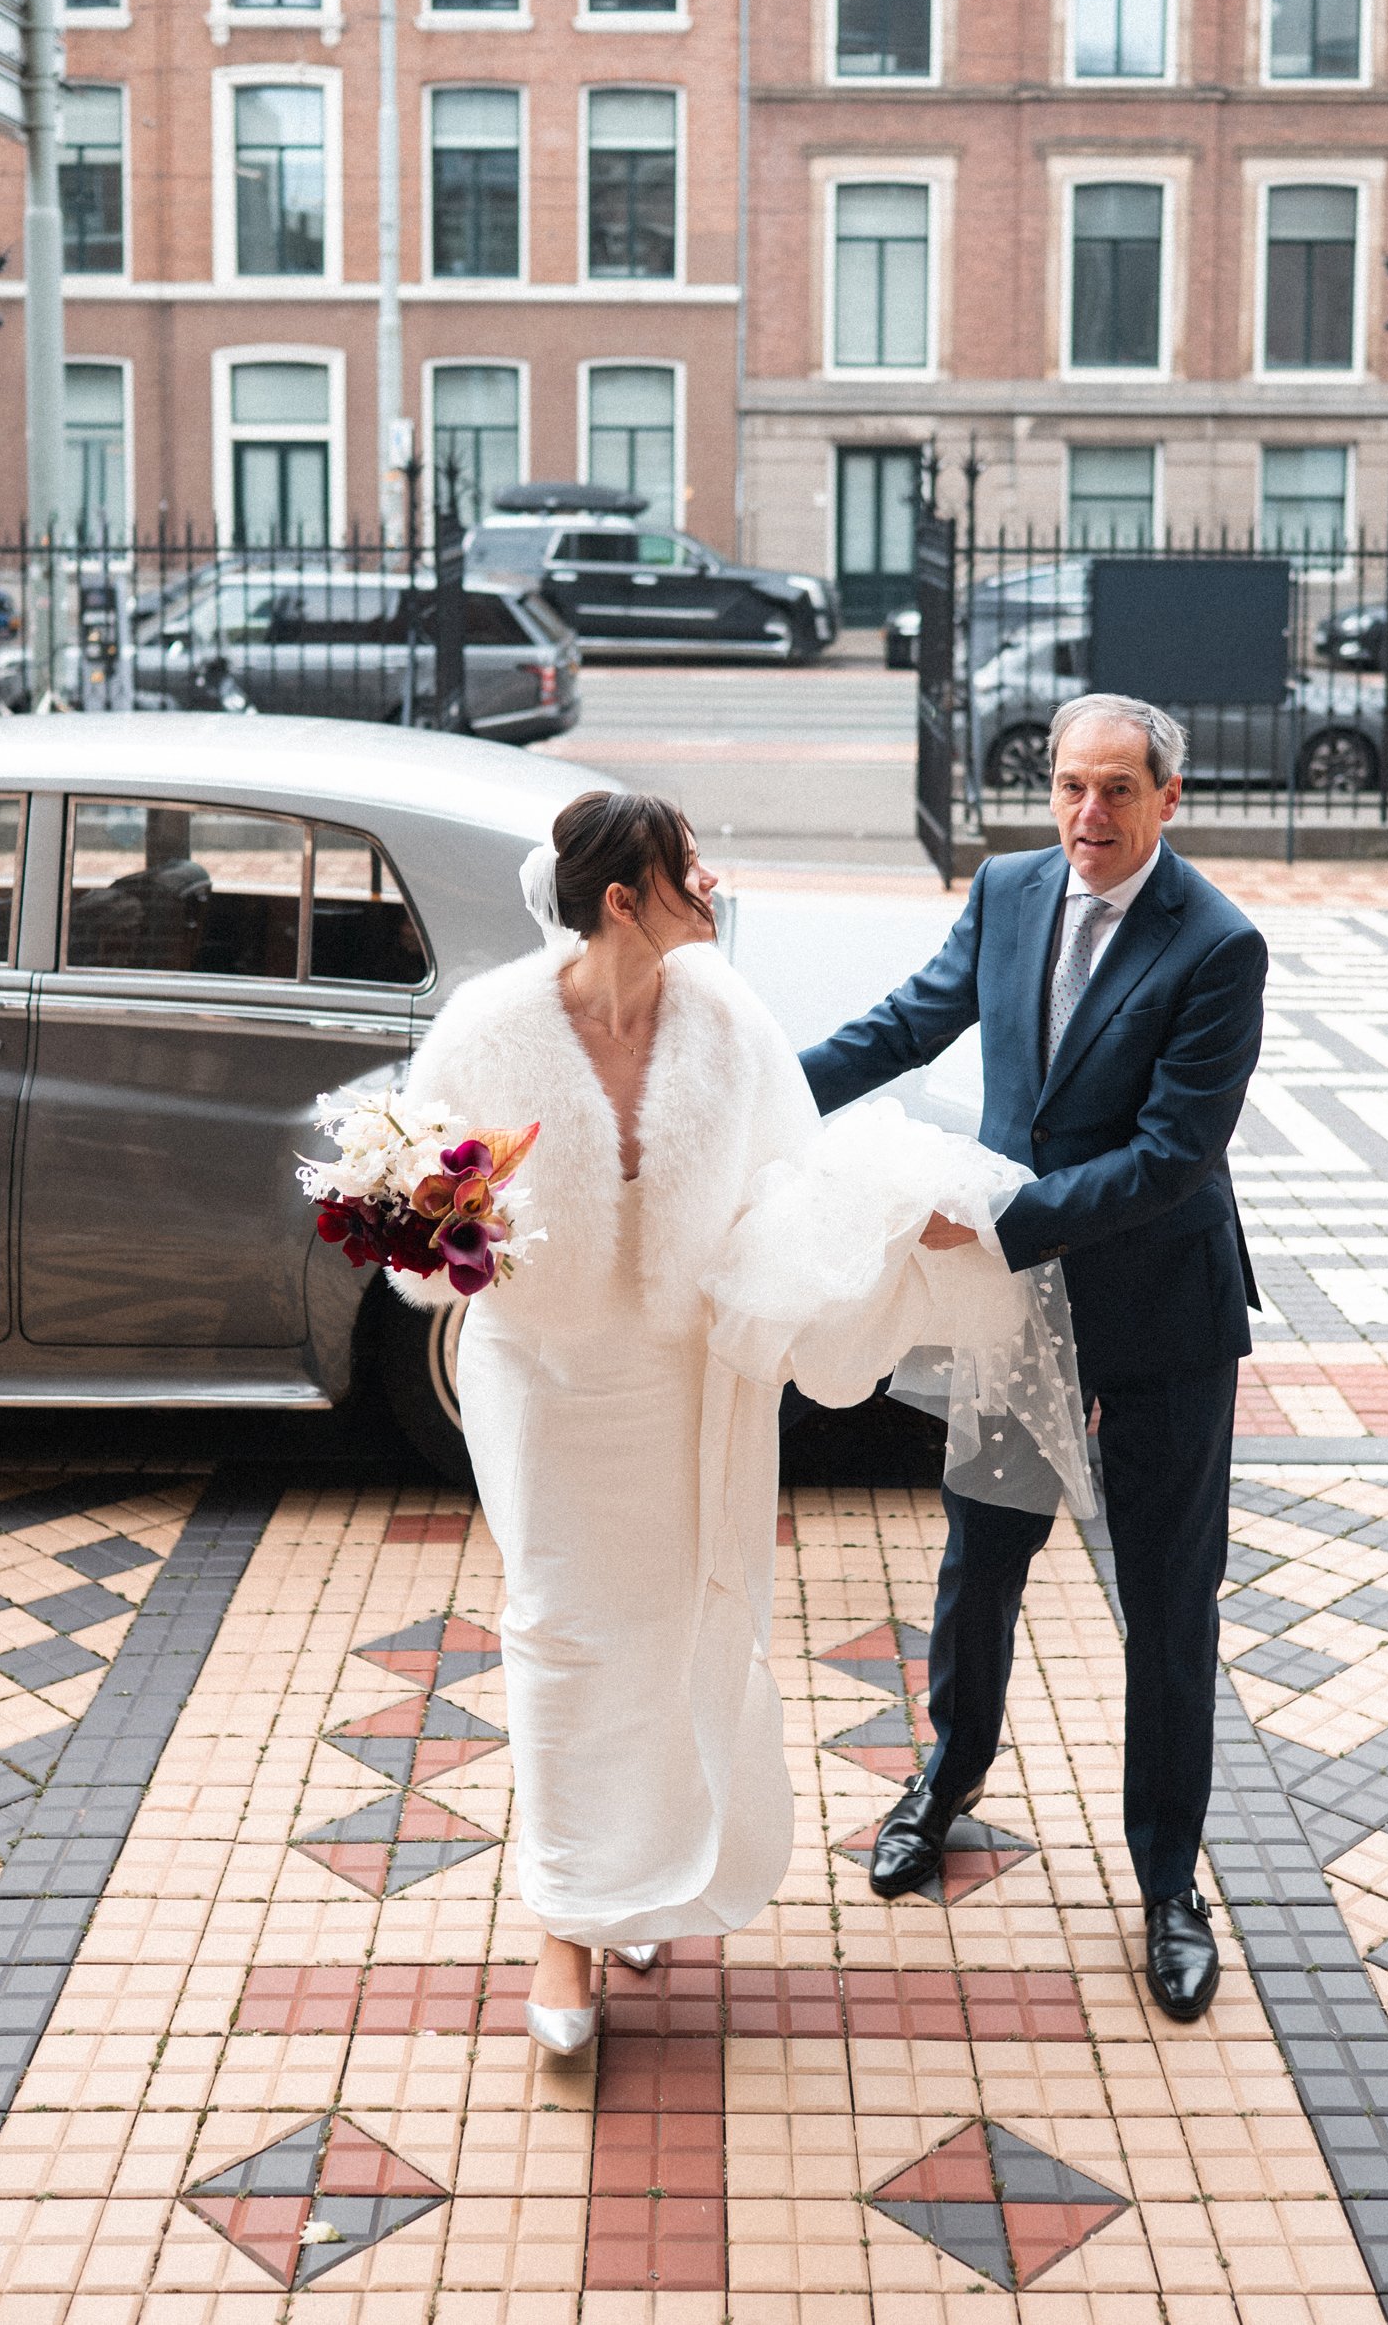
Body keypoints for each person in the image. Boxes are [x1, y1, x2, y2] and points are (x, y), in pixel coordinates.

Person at [388, 790, 1091, 2053]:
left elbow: (788, 1182)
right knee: (560, 1625)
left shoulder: (728, 1019)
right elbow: (417, 1222)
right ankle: (563, 1916)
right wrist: (438, 1231)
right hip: (545, 1383)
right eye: (686, 864)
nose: (709, 880)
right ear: (621, 896)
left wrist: (890, 1219)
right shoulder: (489, 1027)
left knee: (670, 1625)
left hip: (685, 1379)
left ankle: (638, 1878)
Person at [801, 693, 1268, 2023]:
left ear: (1168, 799)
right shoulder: (1009, 890)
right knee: (977, 1562)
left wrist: (998, 1218)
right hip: (1024, 1314)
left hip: (1161, 1320)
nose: (1086, 816)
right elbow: (902, 1026)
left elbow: (1172, 1158)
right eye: (1068, 786)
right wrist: (760, 1099)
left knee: (1169, 1607)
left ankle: (1168, 1881)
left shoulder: (1216, 944)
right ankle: (942, 1785)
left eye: (1117, 790)